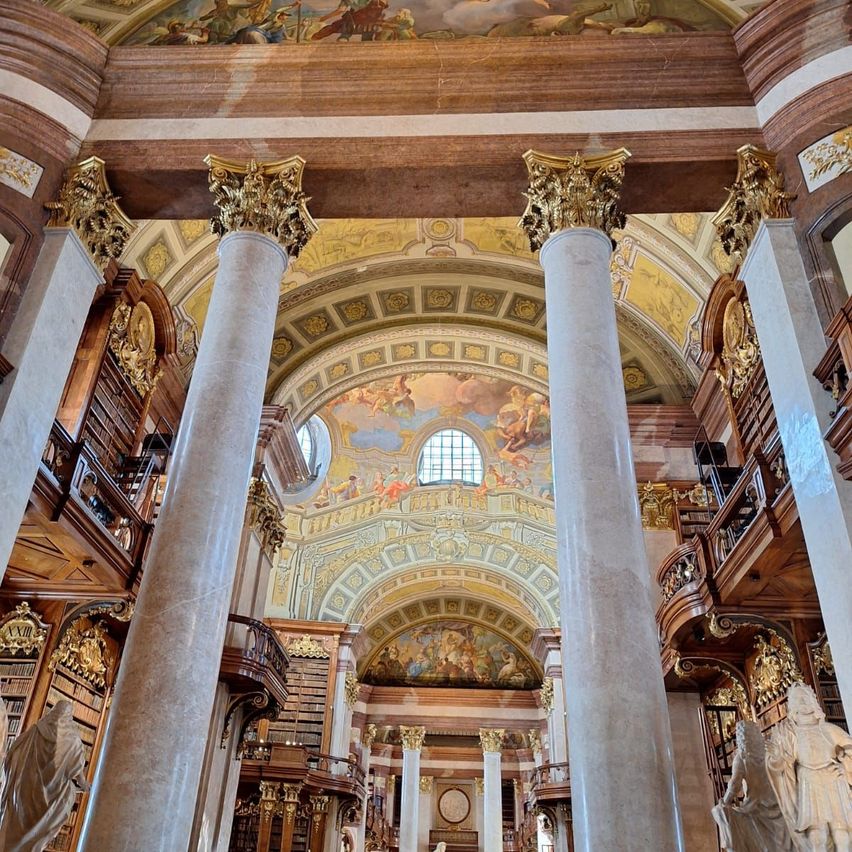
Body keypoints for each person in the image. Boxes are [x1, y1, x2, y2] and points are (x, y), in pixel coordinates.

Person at [766, 683, 852, 851]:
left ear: (813, 701)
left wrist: (845, 766)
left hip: (834, 780)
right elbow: (782, 764)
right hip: (808, 782)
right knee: (816, 834)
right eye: (798, 700)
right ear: (792, 706)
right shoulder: (791, 734)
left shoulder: (828, 730)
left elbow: (850, 748)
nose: (803, 703)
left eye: (805, 698)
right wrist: (776, 757)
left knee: (841, 832)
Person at [0, 701, 89, 850]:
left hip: (25, 792)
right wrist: (84, 784)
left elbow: (15, 751)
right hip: (49, 801)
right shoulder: (73, 741)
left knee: (15, 827)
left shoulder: (36, 730)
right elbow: (77, 772)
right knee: (66, 795)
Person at [711, 720, 794, 851]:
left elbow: (734, 785)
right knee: (782, 844)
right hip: (778, 805)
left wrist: (724, 802)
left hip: (756, 808)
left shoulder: (742, 757)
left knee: (749, 834)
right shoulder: (769, 752)